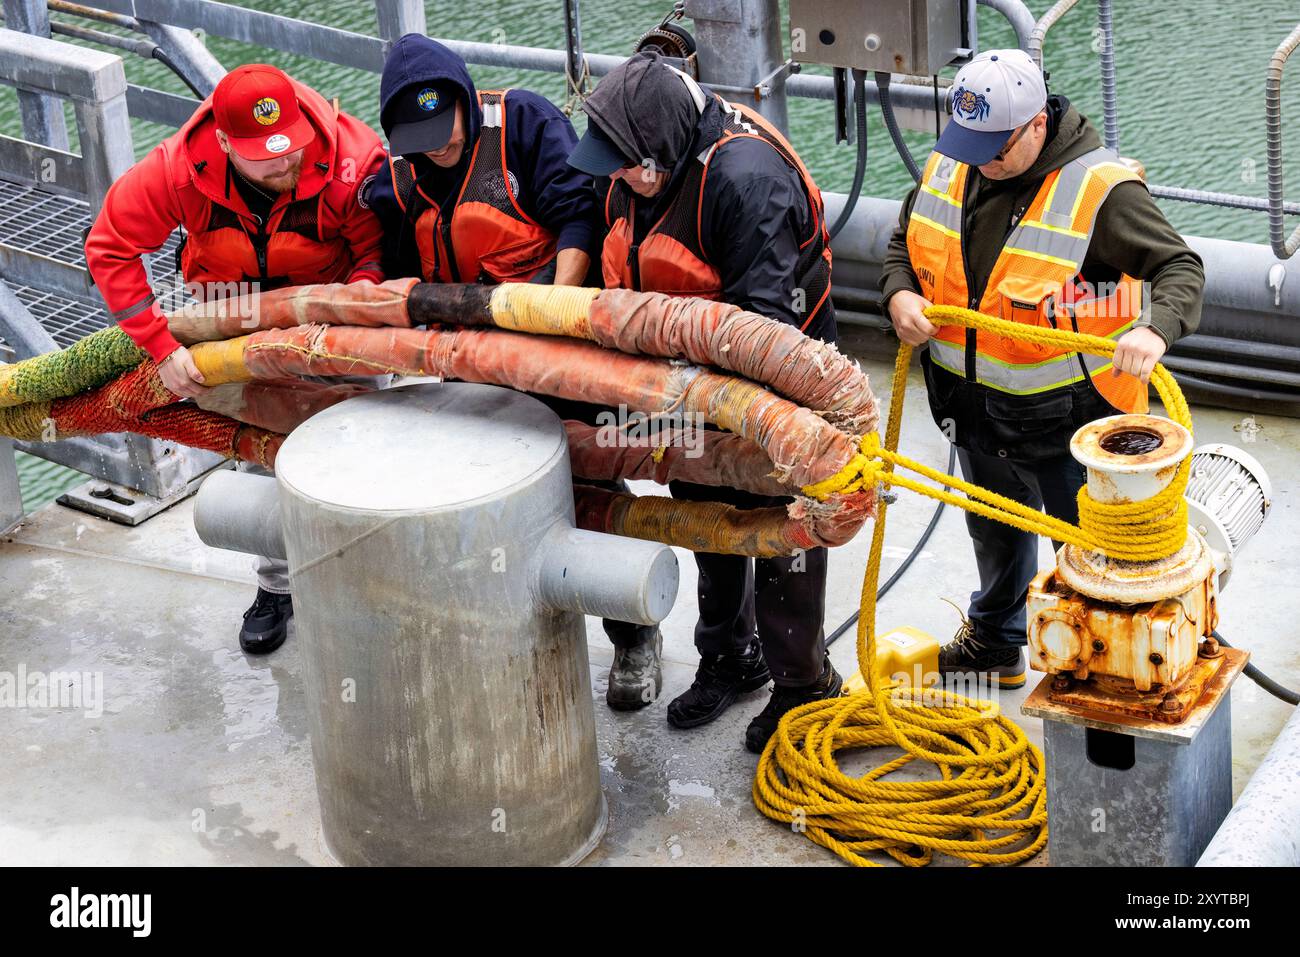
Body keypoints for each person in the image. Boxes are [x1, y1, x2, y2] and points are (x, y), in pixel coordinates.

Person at [878, 49, 1205, 688]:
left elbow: (1180, 268)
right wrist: (899, 294)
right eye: (969, 143)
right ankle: (997, 643)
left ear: (1036, 125)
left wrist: (1154, 329)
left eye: (995, 147)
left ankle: (1106, 671)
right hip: (974, 413)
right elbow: (903, 244)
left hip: (1068, 428)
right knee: (994, 531)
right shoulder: (956, 162)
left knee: (1090, 562)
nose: (979, 161)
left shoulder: (1099, 191)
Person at [568, 51, 841, 753]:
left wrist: (703, 391)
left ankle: (804, 683)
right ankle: (729, 657)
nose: (617, 176)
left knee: (784, 534)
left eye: (625, 163)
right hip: (680, 382)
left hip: (773, 389)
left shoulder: (746, 183)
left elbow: (765, 328)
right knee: (706, 519)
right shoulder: (636, 168)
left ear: (657, 146)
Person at [85, 63, 387, 654]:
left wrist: (356, 305)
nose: (283, 163)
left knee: (365, 439)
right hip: (233, 317)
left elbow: (376, 248)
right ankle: (277, 584)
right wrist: (162, 346)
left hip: (332, 318)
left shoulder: (353, 157)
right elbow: (110, 247)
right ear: (223, 143)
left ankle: (369, 578)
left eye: (291, 148)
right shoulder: (176, 171)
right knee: (262, 447)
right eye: (264, 156)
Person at [363, 34, 596, 286]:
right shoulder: (397, 176)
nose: (437, 147)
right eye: (418, 136)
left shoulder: (527, 123)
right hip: (451, 315)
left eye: (441, 128)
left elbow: (579, 219)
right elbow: (398, 269)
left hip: (541, 303)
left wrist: (557, 303)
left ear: (465, 102)